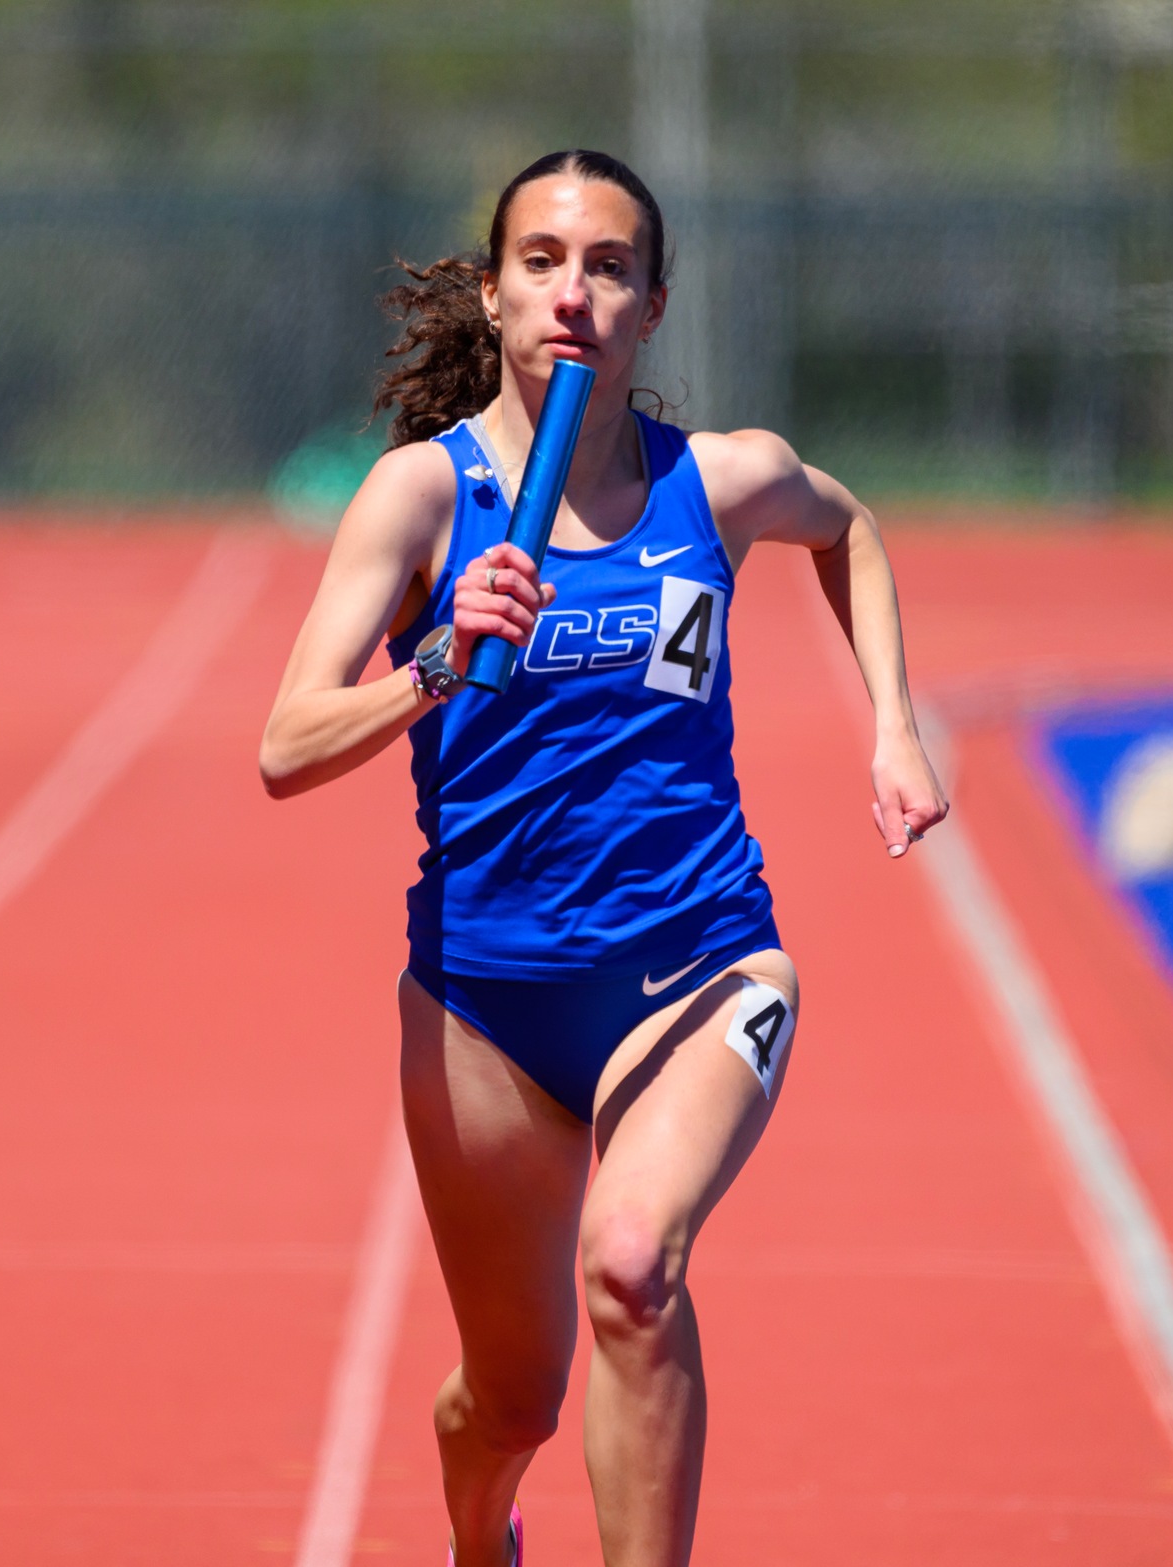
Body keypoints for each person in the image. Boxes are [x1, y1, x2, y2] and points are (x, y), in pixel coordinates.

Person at [259, 149, 946, 1566]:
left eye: (608, 267)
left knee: (632, 1265)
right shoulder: (420, 500)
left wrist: (892, 724)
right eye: (541, 262)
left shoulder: (721, 479)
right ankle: (473, 1531)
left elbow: (851, 529)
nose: (573, 293)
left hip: (698, 962)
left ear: (650, 306)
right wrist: (442, 658)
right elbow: (284, 743)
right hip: (484, 1003)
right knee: (507, 1390)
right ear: (497, 294)